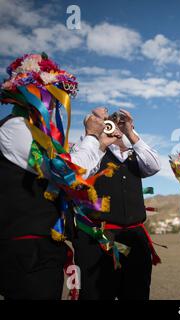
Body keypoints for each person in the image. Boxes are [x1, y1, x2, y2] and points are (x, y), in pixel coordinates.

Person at [0, 53, 112, 299]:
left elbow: (74, 177)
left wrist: (100, 144)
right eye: (49, 95)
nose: (53, 104)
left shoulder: (39, 137)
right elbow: (68, 171)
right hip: (26, 250)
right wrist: (92, 137)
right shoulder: (15, 128)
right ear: (31, 92)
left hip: (42, 249)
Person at [72, 107, 161, 300]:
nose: (116, 128)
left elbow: (155, 166)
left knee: (137, 294)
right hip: (98, 239)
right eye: (109, 123)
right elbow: (79, 173)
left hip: (134, 239)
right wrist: (98, 140)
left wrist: (130, 132)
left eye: (119, 124)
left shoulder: (134, 152)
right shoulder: (90, 148)